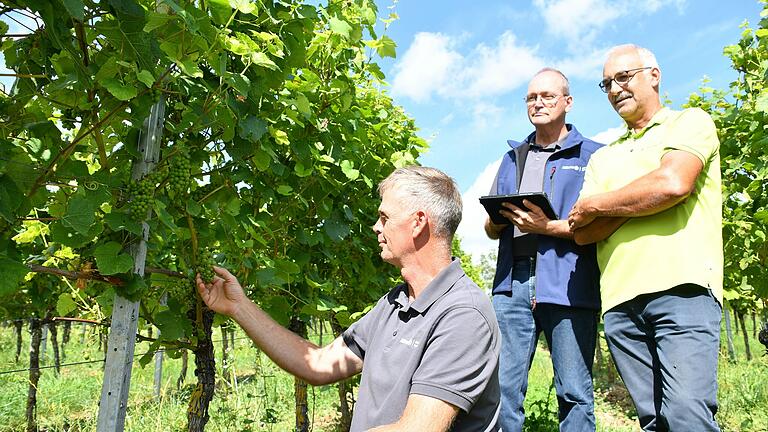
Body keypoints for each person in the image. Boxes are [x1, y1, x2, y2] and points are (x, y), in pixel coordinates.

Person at [197, 166, 501, 431]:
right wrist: (238, 306)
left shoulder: (463, 314)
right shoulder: (395, 303)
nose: (376, 227)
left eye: (384, 217)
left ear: (418, 222)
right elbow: (319, 364)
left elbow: (416, 428)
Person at [568, 44, 723, 431]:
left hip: (682, 288)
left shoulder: (689, 122)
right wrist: (639, 199)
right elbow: (582, 231)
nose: (615, 89)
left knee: (687, 415)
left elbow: (672, 184)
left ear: (654, 75)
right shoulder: (604, 157)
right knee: (653, 421)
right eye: (606, 83)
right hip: (620, 302)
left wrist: (604, 204)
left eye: (624, 77)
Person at [484, 68, 602, 431]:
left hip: (569, 281)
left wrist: (544, 226)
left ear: (567, 102)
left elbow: (599, 226)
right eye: (532, 97)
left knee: (574, 391)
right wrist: (501, 217)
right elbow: (490, 230)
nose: (538, 103)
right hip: (512, 282)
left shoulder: (594, 156)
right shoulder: (512, 158)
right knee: (503, 389)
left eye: (547, 96)